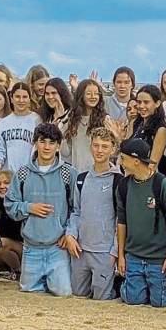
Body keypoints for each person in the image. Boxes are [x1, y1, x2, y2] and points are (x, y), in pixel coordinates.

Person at [4, 123, 77, 296]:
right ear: (35, 143)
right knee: (29, 293)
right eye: (42, 141)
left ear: (58, 146)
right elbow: (9, 204)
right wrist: (29, 207)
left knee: (63, 292)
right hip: (31, 248)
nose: (46, 146)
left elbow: (77, 209)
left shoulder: (68, 174)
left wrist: (69, 233)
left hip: (58, 249)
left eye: (52, 142)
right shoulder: (22, 173)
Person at [116, 138, 166, 307]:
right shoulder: (123, 186)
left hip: (158, 259)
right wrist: (121, 255)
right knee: (132, 299)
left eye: (123, 158)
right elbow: (121, 222)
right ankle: (132, 285)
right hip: (134, 257)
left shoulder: (162, 185)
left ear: (136, 161)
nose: (121, 162)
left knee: (160, 302)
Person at [65, 127, 122, 300]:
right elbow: (76, 211)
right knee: (78, 294)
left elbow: (121, 220)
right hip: (80, 250)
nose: (99, 150)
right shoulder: (82, 179)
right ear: (90, 147)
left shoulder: (118, 180)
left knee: (101, 298)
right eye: (96, 145)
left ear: (112, 149)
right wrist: (70, 235)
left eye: (105, 146)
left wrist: (115, 251)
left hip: (104, 252)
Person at [0, 82, 42, 177]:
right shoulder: (4, 123)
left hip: (31, 175)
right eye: (17, 97)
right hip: (9, 176)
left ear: (29, 99)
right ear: (11, 98)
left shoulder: (37, 120)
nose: (21, 100)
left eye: (25, 97)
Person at [61, 79, 108, 174]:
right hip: (77, 173)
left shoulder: (105, 120)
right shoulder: (71, 119)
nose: (93, 97)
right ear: (81, 95)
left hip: (99, 174)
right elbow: (65, 152)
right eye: (89, 93)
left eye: (96, 94)